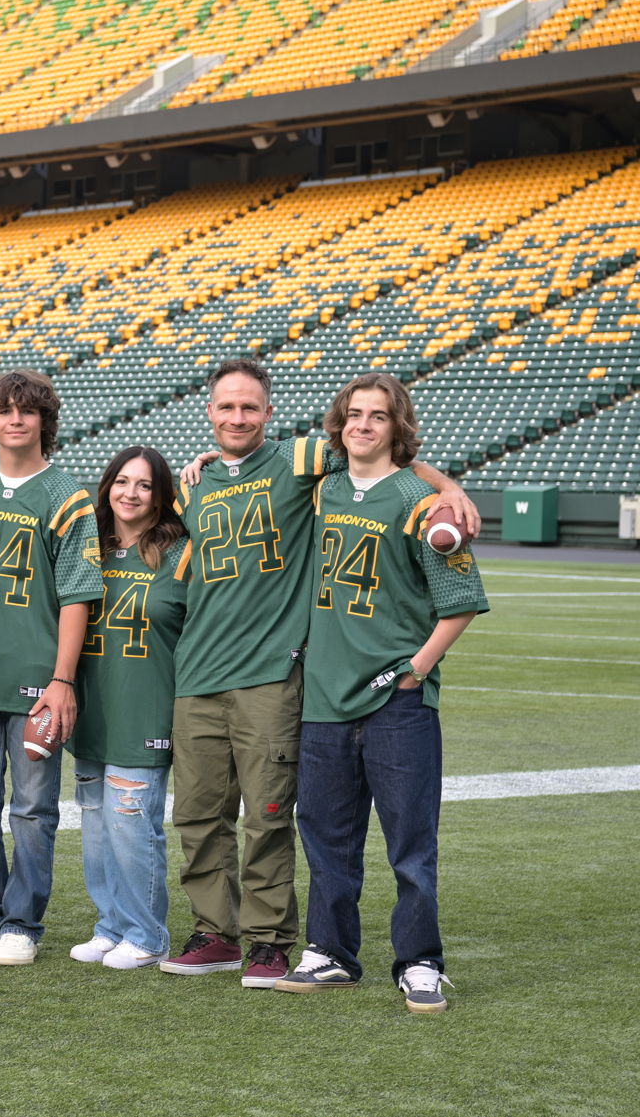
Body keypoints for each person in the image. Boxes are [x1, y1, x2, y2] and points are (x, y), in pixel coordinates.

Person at [164, 359, 478, 988]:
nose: (238, 417)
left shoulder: (306, 462)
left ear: (270, 413)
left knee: (290, 821)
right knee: (227, 821)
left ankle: (315, 947)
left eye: (250, 407)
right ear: (209, 412)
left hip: (303, 678)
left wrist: (452, 488)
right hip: (245, 680)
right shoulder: (197, 484)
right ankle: (246, 938)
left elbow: (386, 462)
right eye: (226, 407)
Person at [273, 373, 487, 1013]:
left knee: (410, 842)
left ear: (398, 427)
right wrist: (203, 461)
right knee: (326, 836)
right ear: (338, 425)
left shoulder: (422, 503)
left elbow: (461, 600)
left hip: (397, 697)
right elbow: (247, 456)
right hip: (324, 695)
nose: (363, 425)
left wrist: (417, 666)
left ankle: (420, 961)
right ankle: (332, 954)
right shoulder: (321, 487)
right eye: (354, 415)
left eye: (378, 416)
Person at [0, 368, 102, 966]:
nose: (15, 418)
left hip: (38, 681)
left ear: (43, 422)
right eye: (4, 410)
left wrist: (63, 680)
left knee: (33, 809)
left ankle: (21, 922)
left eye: (27, 410)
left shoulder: (67, 496)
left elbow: (78, 594)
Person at [68, 446, 189, 971]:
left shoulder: (181, 552)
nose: (130, 493)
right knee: (96, 827)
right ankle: (111, 924)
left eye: (143, 485)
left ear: (161, 495)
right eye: (121, 482)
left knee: (132, 824)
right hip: (92, 705)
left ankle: (147, 932)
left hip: (146, 706)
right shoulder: (87, 547)